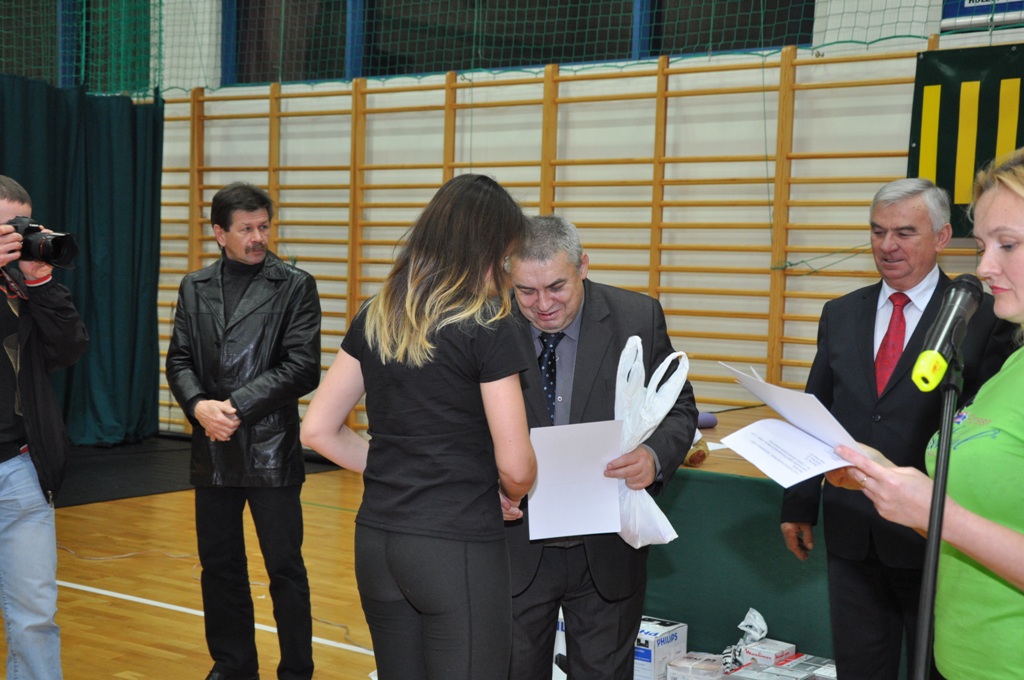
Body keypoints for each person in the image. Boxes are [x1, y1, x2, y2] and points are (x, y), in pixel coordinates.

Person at [299, 173, 537, 680]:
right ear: (490, 248)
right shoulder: (489, 323)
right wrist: (506, 492)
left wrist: (398, 467)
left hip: (377, 542)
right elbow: (517, 468)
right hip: (454, 544)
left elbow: (317, 430)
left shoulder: (378, 313)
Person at [779, 177, 1015, 679]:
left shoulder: (983, 315)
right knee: (860, 666)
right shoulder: (841, 313)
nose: (888, 245)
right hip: (851, 527)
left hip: (939, 538)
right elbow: (816, 410)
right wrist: (798, 503)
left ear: (943, 236)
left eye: (905, 232)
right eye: (877, 231)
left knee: (932, 665)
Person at [504, 215, 698, 680]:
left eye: (556, 287)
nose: (542, 305)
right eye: (526, 291)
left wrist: (653, 457)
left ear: (583, 267)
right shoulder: (488, 322)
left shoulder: (637, 317)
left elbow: (680, 409)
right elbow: (461, 423)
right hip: (513, 547)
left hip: (608, 548)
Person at [166, 182, 321, 680]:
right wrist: (198, 406)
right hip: (212, 449)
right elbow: (179, 360)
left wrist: (232, 407)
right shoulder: (194, 286)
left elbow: (302, 367)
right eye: (246, 229)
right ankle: (233, 666)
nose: (258, 238)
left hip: (271, 450)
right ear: (220, 233)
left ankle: (296, 670)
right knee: (219, 566)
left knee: (285, 569)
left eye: (264, 227)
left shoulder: (295, 285)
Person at [0, 175, 88, 679]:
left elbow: (68, 348)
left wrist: (39, 280)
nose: (13, 239)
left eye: (20, 228)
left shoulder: (21, 285)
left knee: (35, 617)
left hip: (20, 469)